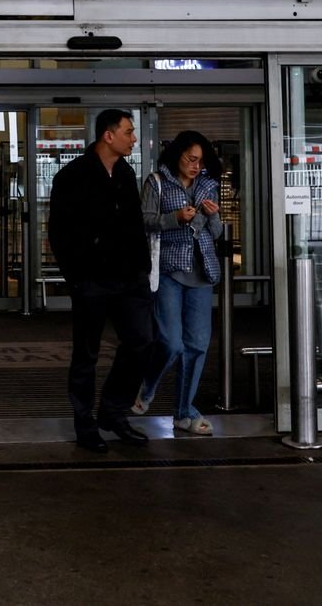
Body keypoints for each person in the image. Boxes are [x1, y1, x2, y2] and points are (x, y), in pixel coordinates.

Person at [48, 109, 156, 453]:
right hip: (91, 281)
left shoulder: (126, 173)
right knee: (87, 354)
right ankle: (85, 423)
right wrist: (76, 277)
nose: (134, 138)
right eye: (128, 132)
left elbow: (134, 224)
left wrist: (142, 267)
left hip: (130, 279)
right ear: (108, 136)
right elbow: (59, 232)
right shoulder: (73, 176)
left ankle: (113, 411)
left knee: (142, 343)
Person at [135, 131, 224, 435]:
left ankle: (184, 413)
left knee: (196, 345)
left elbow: (215, 233)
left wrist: (213, 218)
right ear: (177, 156)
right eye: (191, 159)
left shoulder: (209, 185)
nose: (196, 165)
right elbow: (143, 221)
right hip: (169, 271)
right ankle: (147, 387)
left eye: (201, 160)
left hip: (202, 272)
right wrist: (174, 217)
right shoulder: (157, 182)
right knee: (171, 343)